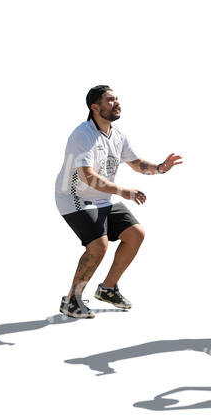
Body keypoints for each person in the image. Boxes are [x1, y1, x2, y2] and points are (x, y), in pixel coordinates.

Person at [54, 85, 183, 318]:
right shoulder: (82, 135)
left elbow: (136, 163)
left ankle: (108, 288)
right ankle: (72, 299)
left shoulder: (118, 135)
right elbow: (87, 176)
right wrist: (124, 192)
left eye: (117, 99)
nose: (117, 103)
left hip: (103, 198)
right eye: (110, 100)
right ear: (95, 107)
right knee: (98, 246)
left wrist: (160, 169)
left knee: (135, 234)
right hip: (74, 197)